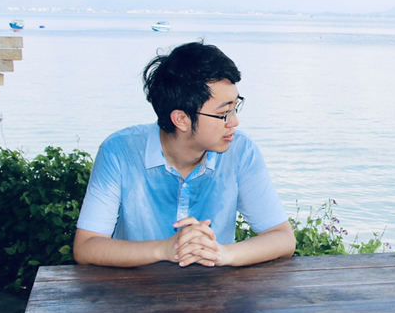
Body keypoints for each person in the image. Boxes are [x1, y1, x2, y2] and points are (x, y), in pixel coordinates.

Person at [73, 41, 296, 268]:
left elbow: (283, 237)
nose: (235, 122)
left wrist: (223, 254)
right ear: (181, 119)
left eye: (235, 108)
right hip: (133, 287)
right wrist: (164, 249)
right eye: (224, 113)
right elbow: (86, 246)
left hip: (215, 289)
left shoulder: (241, 151)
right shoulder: (119, 152)